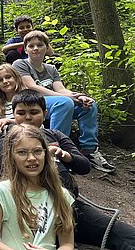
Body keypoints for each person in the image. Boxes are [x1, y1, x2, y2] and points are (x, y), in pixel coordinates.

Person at [3, 90, 135, 250]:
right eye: (21, 113)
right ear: (13, 115)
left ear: (44, 114)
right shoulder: (9, 139)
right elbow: (4, 162)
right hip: (36, 213)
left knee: (124, 233)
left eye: (34, 112)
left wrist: (64, 155)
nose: (28, 118)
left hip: (71, 207)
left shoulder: (54, 135)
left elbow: (84, 166)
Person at [13, 30, 113, 172]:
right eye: (31, 46)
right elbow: (31, 86)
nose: (35, 48)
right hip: (31, 103)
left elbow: (61, 90)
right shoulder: (21, 64)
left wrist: (79, 97)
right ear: (26, 49)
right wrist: (66, 98)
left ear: (47, 48)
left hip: (52, 102)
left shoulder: (51, 69)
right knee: (64, 103)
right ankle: (56, 148)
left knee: (88, 105)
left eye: (40, 45)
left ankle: (89, 149)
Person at [0, 64, 24, 168]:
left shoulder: (26, 99)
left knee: (11, 128)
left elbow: (31, 122)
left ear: (16, 78)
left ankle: (9, 166)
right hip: (2, 141)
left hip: (24, 139)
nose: (5, 81)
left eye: (8, 77)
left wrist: (8, 121)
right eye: (0, 80)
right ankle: (6, 164)